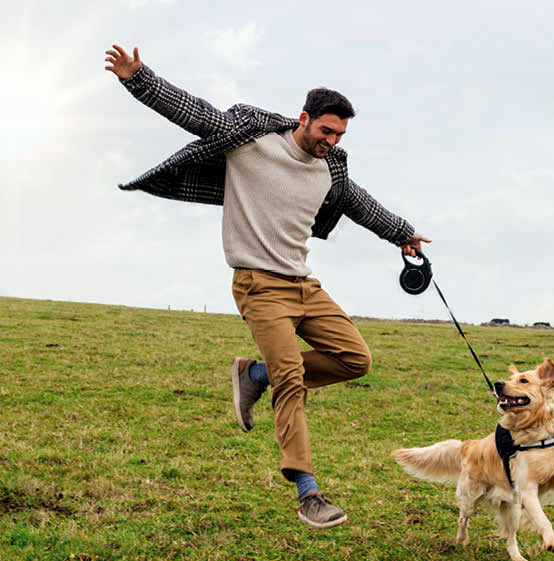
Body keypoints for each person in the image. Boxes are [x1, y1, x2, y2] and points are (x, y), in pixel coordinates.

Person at [105, 45, 429, 529]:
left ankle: (254, 377)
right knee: (293, 380)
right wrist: (137, 78)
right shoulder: (251, 142)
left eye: (339, 134)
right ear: (304, 119)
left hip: (304, 285)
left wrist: (402, 234)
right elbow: (191, 111)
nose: (331, 141)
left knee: (355, 359)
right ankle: (309, 493)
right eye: (325, 130)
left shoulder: (330, 167)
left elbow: (359, 203)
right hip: (259, 285)